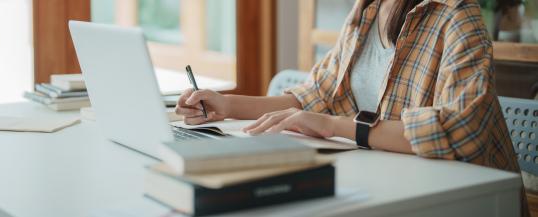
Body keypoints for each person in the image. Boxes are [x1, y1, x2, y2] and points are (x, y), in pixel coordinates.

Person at [176, 0, 519, 173]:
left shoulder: (457, 14)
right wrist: (226, 104)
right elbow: (317, 95)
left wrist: (332, 126)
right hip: (392, 176)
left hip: (465, 193)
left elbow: (461, 131)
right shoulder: (367, 9)